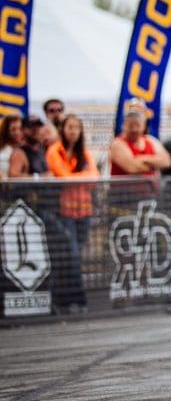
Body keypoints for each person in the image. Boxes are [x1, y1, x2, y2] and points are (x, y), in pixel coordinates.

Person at [45, 114, 97, 312]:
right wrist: (80, 176)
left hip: (84, 210)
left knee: (76, 255)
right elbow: (63, 177)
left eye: (77, 127)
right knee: (71, 254)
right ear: (63, 129)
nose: (73, 131)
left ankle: (67, 298)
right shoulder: (54, 151)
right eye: (70, 127)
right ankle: (76, 297)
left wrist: (77, 177)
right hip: (64, 211)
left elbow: (94, 177)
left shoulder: (83, 152)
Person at [109, 110, 171, 176]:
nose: (134, 129)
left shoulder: (150, 140)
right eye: (130, 125)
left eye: (138, 125)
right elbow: (132, 168)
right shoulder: (118, 144)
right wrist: (155, 164)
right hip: (124, 186)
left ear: (144, 126)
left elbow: (167, 162)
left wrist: (142, 159)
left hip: (150, 186)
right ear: (123, 125)